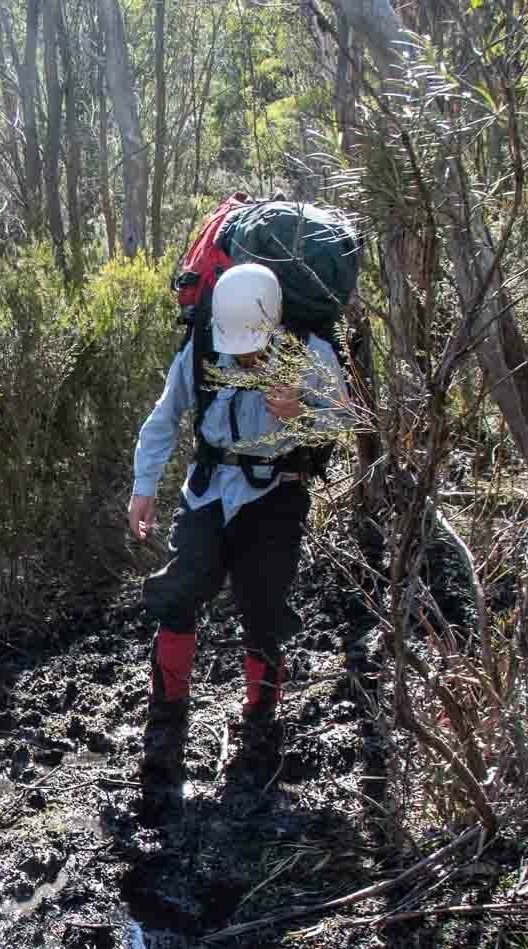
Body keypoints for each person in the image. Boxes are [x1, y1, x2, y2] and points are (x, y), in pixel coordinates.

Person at [124, 262, 346, 806]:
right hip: (208, 491)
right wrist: (143, 486)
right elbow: (165, 415)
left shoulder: (310, 352)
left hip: (276, 495)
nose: (245, 354)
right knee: (181, 591)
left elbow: (345, 419)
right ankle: (165, 726)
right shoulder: (203, 346)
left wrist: (302, 413)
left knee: (263, 608)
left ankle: (260, 725)